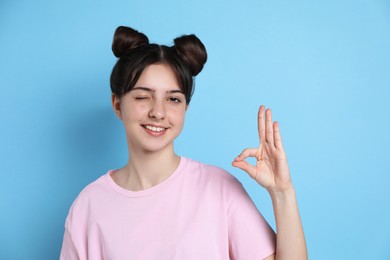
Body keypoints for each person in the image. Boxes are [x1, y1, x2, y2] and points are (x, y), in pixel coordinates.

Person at [60, 26, 307, 260]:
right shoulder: (89, 205)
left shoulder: (219, 188)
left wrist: (282, 193)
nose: (158, 112)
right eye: (143, 97)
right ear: (117, 105)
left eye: (173, 99)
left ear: (185, 107)